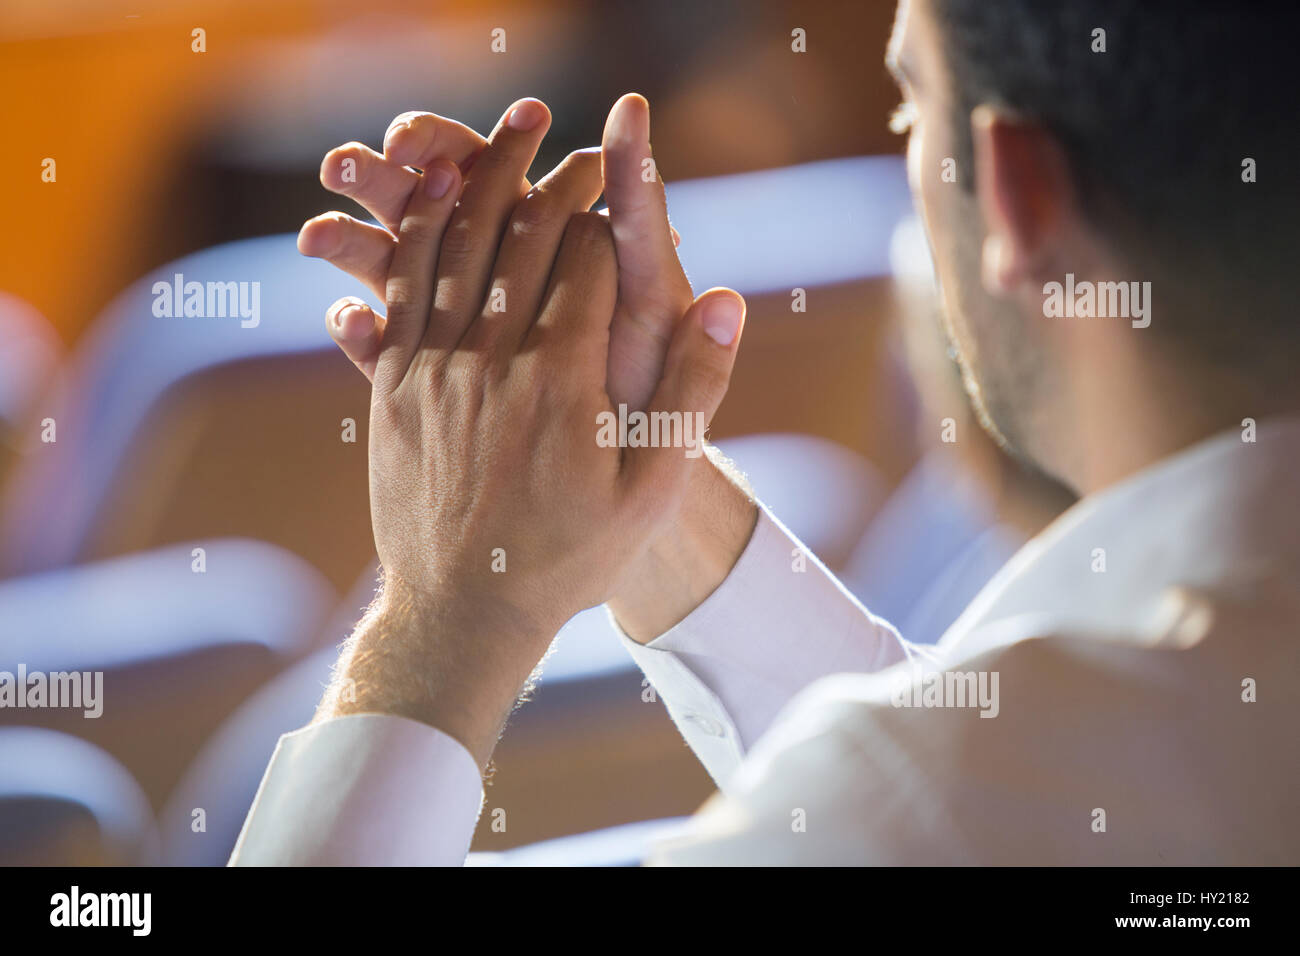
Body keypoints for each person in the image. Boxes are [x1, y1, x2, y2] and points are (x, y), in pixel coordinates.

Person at [232, 0, 1300, 864]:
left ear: (1015, 192)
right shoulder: (1024, 764)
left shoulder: (924, 804)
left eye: (907, 113)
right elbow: (1007, 767)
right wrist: (634, 473)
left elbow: (931, 798)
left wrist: (447, 617)